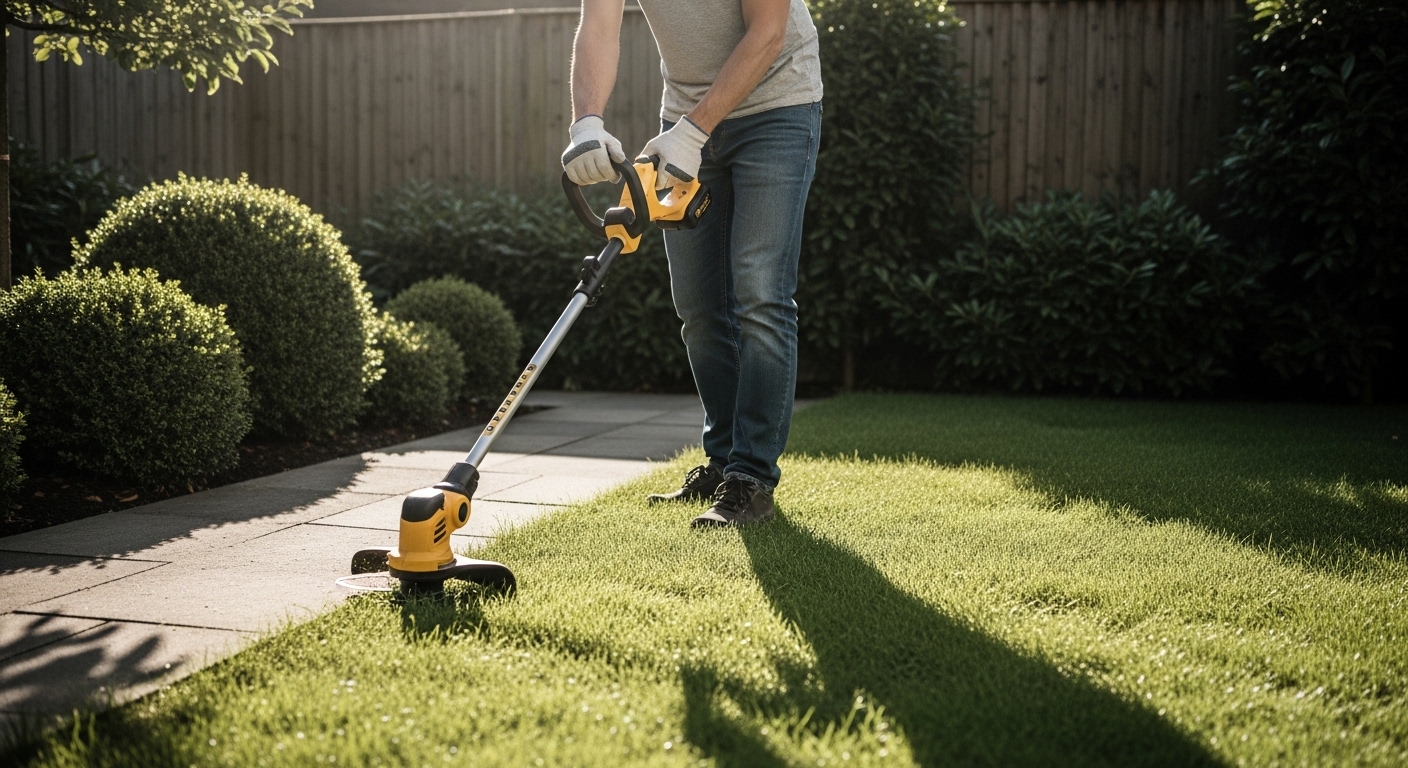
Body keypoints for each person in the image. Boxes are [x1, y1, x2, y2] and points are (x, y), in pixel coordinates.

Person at [562, 0, 822, 528]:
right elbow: (598, 27)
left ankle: (751, 478)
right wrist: (585, 122)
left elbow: (769, 32)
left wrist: (695, 130)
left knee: (760, 293)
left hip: (776, 108)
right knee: (699, 308)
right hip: (684, 118)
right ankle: (723, 462)